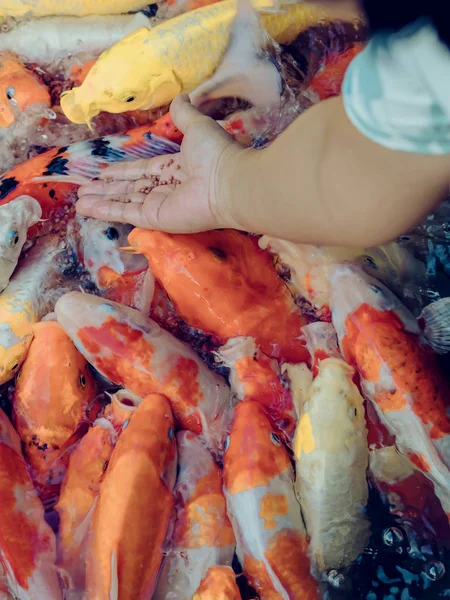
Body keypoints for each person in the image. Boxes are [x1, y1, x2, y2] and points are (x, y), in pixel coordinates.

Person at [76, 0, 450, 248]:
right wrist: (227, 179)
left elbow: (365, 177)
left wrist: (228, 190)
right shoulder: (422, 49)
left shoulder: (435, 61)